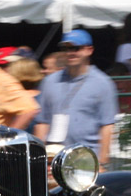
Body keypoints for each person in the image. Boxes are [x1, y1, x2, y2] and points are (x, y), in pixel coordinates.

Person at [34, 30, 118, 167]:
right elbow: (42, 122)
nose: (70, 52)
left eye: (75, 48)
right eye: (66, 48)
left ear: (89, 50)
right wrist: (37, 159)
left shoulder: (103, 83)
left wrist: (102, 163)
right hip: (53, 159)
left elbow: (107, 126)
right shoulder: (49, 82)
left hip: (87, 160)